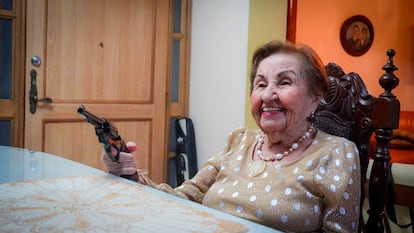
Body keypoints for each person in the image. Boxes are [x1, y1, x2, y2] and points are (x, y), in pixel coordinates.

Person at [101, 40, 361, 233]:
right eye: (260, 84)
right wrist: (130, 174)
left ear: (315, 98)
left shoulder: (335, 152)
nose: (268, 95)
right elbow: (186, 197)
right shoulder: (238, 140)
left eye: (283, 82)